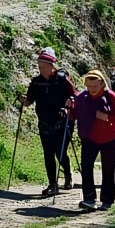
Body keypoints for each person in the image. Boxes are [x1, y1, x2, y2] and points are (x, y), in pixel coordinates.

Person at [18, 47, 76, 196]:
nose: (41, 70)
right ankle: (52, 184)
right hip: (44, 122)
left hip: (63, 122)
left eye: (44, 67)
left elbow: (75, 96)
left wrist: (69, 103)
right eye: (40, 67)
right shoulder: (36, 82)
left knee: (60, 153)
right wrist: (24, 100)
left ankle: (68, 174)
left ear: (52, 66)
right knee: (48, 153)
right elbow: (29, 101)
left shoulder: (62, 80)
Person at [68, 70, 115, 211]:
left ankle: (107, 200)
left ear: (102, 84)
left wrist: (106, 117)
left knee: (108, 169)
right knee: (86, 167)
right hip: (90, 138)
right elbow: (74, 115)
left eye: (95, 86)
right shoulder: (82, 97)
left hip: (110, 139)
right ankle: (89, 199)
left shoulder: (110, 96)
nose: (92, 89)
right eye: (89, 86)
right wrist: (69, 108)